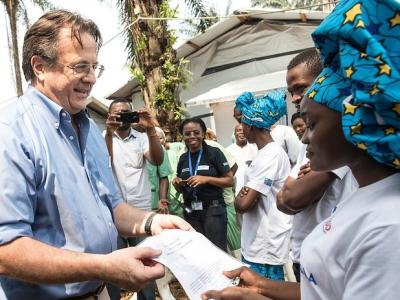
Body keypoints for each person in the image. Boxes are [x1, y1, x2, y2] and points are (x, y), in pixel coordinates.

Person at [202, 1, 400, 299]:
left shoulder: (389, 226)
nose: (304, 138)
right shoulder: (364, 196)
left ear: (353, 122)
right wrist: (261, 286)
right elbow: (325, 290)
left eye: (311, 124)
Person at [0, 10, 191, 299]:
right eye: (79, 66)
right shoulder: (11, 132)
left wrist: (152, 222)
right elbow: (6, 250)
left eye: (94, 67)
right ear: (39, 67)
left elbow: (112, 206)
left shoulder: (89, 128)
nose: (90, 79)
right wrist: (103, 266)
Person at [105, 100, 164, 300]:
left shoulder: (141, 137)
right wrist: (109, 134)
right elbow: (106, 161)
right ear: (109, 116)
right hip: (112, 213)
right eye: (117, 113)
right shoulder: (102, 137)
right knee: (112, 267)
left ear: (133, 115)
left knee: (146, 266)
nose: (121, 116)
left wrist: (150, 130)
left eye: (125, 113)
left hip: (141, 212)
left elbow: (157, 160)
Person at [234, 89, 292, 281]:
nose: (240, 127)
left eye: (242, 121)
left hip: (265, 243)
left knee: (264, 292)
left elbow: (243, 205)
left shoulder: (271, 155)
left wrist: (241, 197)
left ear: (251, 126)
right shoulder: (263, 154)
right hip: (257, 241)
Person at [173, 118, 234, 251]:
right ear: (182, 136)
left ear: (203, 134)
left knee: (217, 251)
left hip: (213, 210)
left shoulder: (214, 153)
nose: (192, 136)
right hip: (191, 211)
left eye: (196, 132)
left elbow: (229, 181)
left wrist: (206, 179)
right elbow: (181, 188)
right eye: (187, 133)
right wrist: (177, 183)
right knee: (198, 252)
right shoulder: (183, 158)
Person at [226, 123, 258, 195]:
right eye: (238, 130)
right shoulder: (228, 150)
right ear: (234, 134)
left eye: (243, 130)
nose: (241, 132)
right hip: (236, 190)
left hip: (253, 189)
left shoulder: (255, 148)